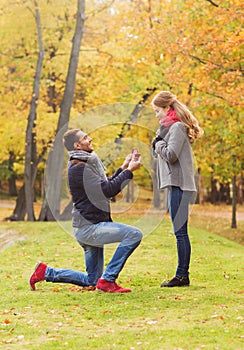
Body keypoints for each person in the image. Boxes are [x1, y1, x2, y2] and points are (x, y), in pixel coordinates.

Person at [30, 128, 143, 293]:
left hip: (87, 227)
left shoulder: (84, 165)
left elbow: (103, 187)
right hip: (89, 228)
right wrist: (129, 171)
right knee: (134, 234)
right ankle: (108, 279)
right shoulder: (79, 168)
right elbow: (107, 190)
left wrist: (123, 168)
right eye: (85, 137)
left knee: (92, 280)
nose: (90, 139)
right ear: (77, 145)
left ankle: (46, 272)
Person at [151, 91, 203, 287]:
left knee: (180, 232)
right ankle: (182, 275)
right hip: (175, 185)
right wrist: (158, 141)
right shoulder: (168, 129)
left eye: (157, 111)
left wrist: (158, 143)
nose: (156, 115)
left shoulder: (178, 128)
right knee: (179, 231)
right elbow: (161, 152)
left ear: (167, 108)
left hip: (180, 185)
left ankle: (182, 276)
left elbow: (171, 155)